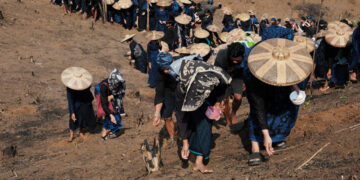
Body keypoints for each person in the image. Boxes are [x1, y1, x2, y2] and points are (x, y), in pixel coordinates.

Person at [173, 58, 231, 173]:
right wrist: (185, 142)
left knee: (204, 125)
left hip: (208, 95)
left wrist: (218, 102)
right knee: (189, 124)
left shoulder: (217, 77)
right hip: (189, 93)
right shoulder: (181, 91)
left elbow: (224, 87)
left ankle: (199, 161)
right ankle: (191, 156)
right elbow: (181, 118)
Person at [214, 42, 248, 125]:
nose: (235, 62)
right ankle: (227, 120)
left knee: (238, 97)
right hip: (223, 76)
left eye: (238, 60)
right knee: (225, 100)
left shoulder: (247, 56)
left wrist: (245, 81)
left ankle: (233, 113)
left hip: (237, 76)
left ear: (242, 56)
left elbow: (247, 70)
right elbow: (218, 74)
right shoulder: (221, 56)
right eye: (233, 59)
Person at [62, 67, 96, 142]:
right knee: (73, 118)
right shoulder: (70, 88)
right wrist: (72, 112)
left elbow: (88, 93)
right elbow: (70, 101)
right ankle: (71, 134)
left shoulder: (85, 85)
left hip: (84, 101)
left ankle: (81, 132)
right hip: (75, 104)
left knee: (83, 117)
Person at [152, 52, 177, 140]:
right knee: (167, 116)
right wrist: (157, 114)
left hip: (180, 88)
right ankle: (172, 137)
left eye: (168, 68)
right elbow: (159, 95)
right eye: (164, 69)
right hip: (168, 91)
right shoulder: (160, 75)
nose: (166, 71)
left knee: (182, 114)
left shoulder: (180, 64)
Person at [95, 69, 125, 140]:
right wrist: (111, 115)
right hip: (101, 93)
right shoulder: (103, 87)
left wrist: (112, 96)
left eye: (119, 83)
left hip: (109, 93)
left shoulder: (119, 83)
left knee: (114, 111)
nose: (118, 85)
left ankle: (109, 129)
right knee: (109, 111)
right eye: (117, 83)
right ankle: (105, 130)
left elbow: (121, 94)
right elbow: (104, 104)